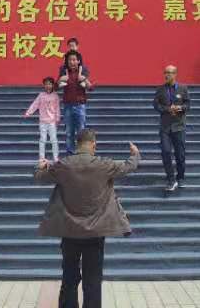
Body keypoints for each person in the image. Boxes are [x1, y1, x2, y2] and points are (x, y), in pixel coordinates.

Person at [34, 129, 139, 308]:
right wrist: (135, 154)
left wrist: (41, 166)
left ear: (77, 144)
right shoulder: (104, 165)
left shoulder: (64, 165)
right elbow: (128, 166)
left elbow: (40, 178)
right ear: (93, 144)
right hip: (95, 232)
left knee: (69, 276)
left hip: (69, 231)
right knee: (93, 279)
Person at [153, 64, 190, 193]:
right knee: (166, 151)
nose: (167, 75)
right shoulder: (160, 89)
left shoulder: (183, 88)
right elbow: (156, 105)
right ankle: (171, 179)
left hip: (178, 127)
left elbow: (188, 104)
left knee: (180, 155)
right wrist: (167, 109)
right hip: (165, 127)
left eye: (169, 72)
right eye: (165, 72)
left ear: (175, 74)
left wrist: (181, 108)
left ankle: (180, 177)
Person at [58, 51, 93, 155]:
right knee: (69, 132)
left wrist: (84, 79)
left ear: (78, 61)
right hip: (68, 106)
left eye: (74, 60)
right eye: (70, 60)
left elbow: (91, 88)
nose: (72, 62)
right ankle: (70, 154)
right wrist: (60, 79)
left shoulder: (82, 72)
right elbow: (55, 87)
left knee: (81, 131)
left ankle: (82, 153)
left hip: (80, 105)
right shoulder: (64, 72)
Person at [24, 75, 62, 163]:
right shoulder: (41, 95)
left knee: (54, 140)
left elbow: (57, 108)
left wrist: (57, 118)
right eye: (46, 84)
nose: (48, 86)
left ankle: (56, 157)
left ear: (53, 85)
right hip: (43, 121)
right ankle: (41, 157)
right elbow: (35, 104)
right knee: (42, 140)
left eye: (50, 84)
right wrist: (29, 112)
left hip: (52, 122)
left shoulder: (55, 96)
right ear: (44, 85)